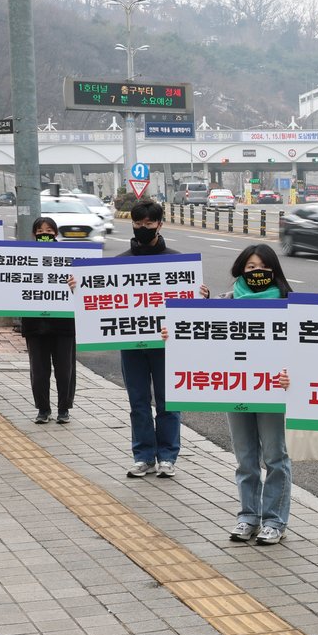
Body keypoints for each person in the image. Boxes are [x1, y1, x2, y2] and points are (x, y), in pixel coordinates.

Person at [74, 200, 183, 479]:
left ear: (160, 224)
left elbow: (189, 305)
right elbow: (99, 300)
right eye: (138, 223)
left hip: (166, 344)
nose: (143, 228)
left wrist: (201, 295)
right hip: (131, 343)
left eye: (148, 223)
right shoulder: (118, 263)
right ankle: (144, 456)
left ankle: (168, 456)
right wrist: (80, 287)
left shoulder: (177, 262)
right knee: (138, 401)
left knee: (168, 400)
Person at [221, 245, 294, 545]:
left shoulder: (290, 304)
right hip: (236, 386)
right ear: (241, 270)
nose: (256, 273)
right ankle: (248, 516)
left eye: (263, 267)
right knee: (245, 456)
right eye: (250, 268)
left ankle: (275, 520)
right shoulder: (224, 303)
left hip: (272, 389)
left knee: (275, 455)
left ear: (274, 272)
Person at [24, 217, 77, 423]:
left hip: (64, 324)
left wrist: (76, 284)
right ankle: (43, 409)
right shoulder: (24, 257)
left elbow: (85, 285)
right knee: (39, 370)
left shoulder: (69, 257)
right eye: (39, 230)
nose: (43, 233)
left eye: (48, 230)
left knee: (65, 370)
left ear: (56, 233)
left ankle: (64, 409)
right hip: (34, 324)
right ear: (33, 234)